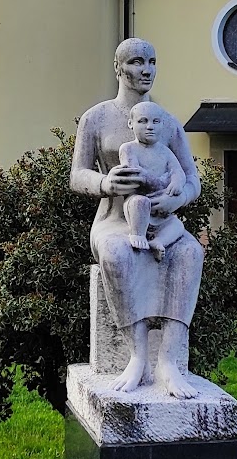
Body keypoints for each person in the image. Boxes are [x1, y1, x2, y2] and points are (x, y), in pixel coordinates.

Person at [70, 38, 205, 398]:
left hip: (162, 219)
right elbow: (77, 175)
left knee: (191, 253)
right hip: (115, 219)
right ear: (118, 68)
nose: (146, 70)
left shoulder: (167, 122)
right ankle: (137, 357)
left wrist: (175, 201)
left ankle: (169, 362)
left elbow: (192, 180)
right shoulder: (96, 118)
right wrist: (104, 182)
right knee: (117, 254)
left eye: (152, 61)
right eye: (135, 62)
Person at [119, 101, 185, 258]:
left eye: (156, 122)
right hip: (140, 205)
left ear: (162, 124)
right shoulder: (128, 148)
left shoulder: (165, 152)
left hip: (161, 213)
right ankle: (138, 234)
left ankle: (159, 241)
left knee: (177, 225)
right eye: (143, 121)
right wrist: (162, 181)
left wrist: (176, 182)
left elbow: (178, 171)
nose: (150, 127)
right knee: (138, 202)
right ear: (131, 123)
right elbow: (136, 175)